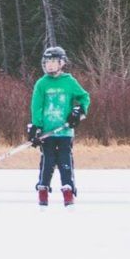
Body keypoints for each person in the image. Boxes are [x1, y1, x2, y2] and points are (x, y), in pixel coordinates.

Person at [27, 44, 91, 206]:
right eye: (47, 61)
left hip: (65, 132)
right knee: (47, 161)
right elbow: (37, 107)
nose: (49, 65)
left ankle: (68, 191)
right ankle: (43, 190)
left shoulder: (69, 82)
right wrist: (36, 128)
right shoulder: (42, 84)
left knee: (65, 161)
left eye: (53, 61)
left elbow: (84, 98)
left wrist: (78, 112)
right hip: (48, 132)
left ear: (62, 63)